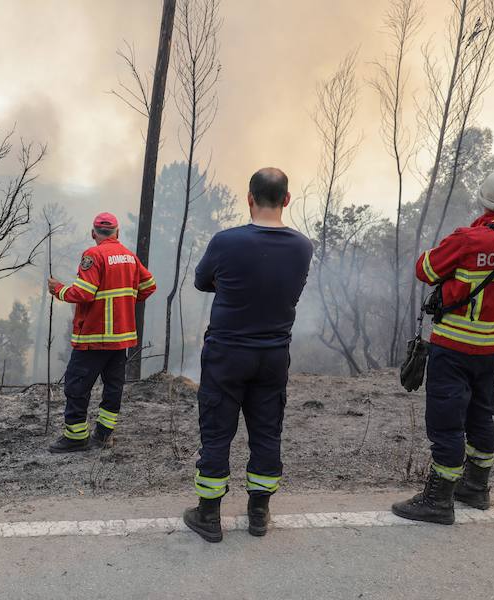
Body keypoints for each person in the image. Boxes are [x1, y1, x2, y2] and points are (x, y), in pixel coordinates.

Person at [392, 166, 494, 525]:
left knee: (445, 421)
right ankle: (477, 487)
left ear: (483, 198)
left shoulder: (470, 238)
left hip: (454, 346)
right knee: (481, 415)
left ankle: (439, 500)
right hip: (492, 350)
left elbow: (424, 269)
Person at [183, 168, 313, 543]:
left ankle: (208, 515)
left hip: (227, 354)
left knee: (217, 430)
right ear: (287, 199)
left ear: (249, 198)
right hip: (273, 355)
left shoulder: (226, 242)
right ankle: (259, 512)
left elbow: (201, 280)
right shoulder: (303, 246)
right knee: (267, 430)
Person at [46, 212, 156, 453]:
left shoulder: (93, 255)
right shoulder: (129, 257)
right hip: (120, 340)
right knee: (113, 388)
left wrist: (59, 290)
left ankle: (76, 438)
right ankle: (104, 436)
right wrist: (126, 304)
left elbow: (83, 293)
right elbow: (149, 286)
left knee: (76, 385)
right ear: (117, 233)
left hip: (93, 338)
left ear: (93, 233)